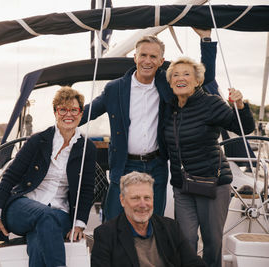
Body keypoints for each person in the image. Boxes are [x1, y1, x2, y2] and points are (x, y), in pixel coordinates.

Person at [80, 28, 217, 220]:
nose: (147, 60)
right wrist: (58, 124)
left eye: (153, 56)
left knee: (154, 221)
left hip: (156, 165)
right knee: (114, 221)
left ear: (161, 62)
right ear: (135, 57)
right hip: (124, 165)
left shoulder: (168, 86)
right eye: (143, 55)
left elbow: (204, 78)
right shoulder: (115, 88)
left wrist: (206, 39)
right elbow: (86, 113)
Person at [0, 86, 97, 267]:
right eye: (62, 109)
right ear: (55, 112)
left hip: (60, 212)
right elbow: (10, 177)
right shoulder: (38, 141)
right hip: (22, 207)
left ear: (81, 113)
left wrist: (79, 223)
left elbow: (86, 189)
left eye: (74, 110)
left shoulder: (87, 148)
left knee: (40, 237)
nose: (68, 114)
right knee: (46, 216)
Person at [163, 57, 255, 267]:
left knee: (212, 242)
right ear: (170, 83)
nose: (180, 78)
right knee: (186, 241)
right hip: (182, 184)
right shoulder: (170, 108)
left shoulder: (211, 103)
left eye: (186, 74)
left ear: (197, 81)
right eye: (175, 75)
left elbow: (242, 128)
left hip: (212, 183)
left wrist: (240, 105)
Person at [91, 171, 205, 267]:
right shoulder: (105, 235)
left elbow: (194, 264)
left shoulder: (171, 228)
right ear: (122, 200)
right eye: (135, 198)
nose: (142, 204)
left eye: (147, 198)